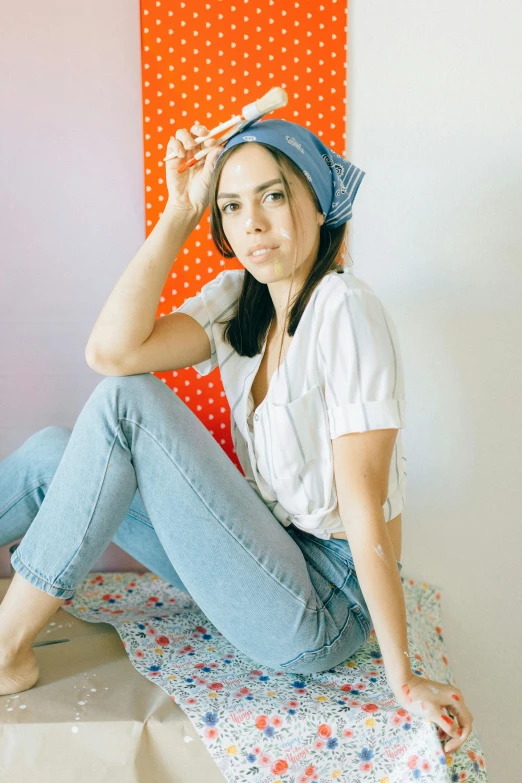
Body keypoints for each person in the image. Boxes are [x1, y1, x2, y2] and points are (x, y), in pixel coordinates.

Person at [0, 118, 473, 755]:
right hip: (263, 558)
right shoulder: (239, 302)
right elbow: (110, 352)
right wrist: (179, 212)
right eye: (231, 205)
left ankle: (5, 651)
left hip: (320, 608)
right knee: (53, 453)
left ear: (318, 199)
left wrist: (403, 676)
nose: (251, 222)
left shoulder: (345, 311)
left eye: (272, 196)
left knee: (127, 405)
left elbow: (363, 505)